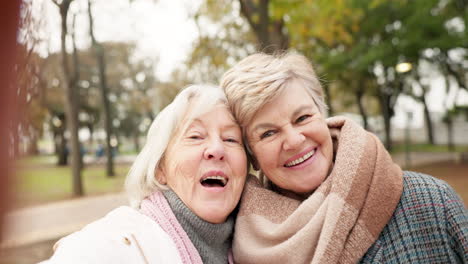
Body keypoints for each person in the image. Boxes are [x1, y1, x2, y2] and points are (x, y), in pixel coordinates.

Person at [220, 52, 468, 263]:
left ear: (323, 116)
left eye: (303, 118)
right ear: (251, 156)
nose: (295, 140)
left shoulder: (433, 203)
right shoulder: (237, 245)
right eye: (269, 133)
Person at [40, 84, 247, 264]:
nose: (217, 150)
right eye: (195, 136)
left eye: (230, 139)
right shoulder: (121, 242)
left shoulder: (258, 245)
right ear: (159, 170)